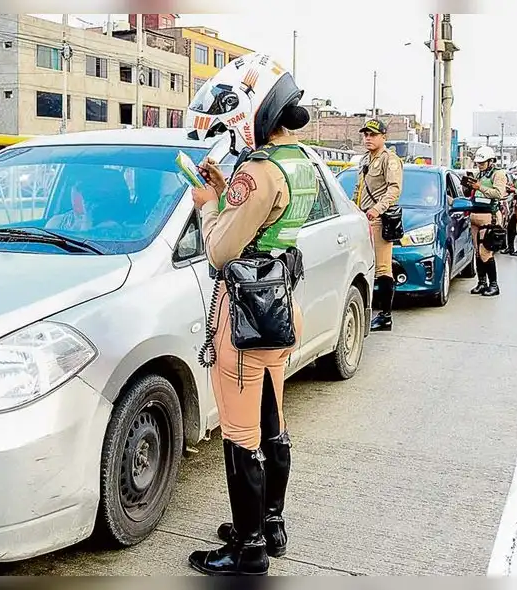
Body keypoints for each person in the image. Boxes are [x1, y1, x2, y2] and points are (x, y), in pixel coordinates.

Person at [185, 52, 317, 577]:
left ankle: (248, 548)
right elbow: (267, 223)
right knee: (272, 420)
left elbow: (221, 251)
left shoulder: (258, 170)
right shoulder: (300, 162)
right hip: (280, 309)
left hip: (244, 317)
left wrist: (207, 203)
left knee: (241, 433)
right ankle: (271, 523)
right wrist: (227, 193)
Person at [353, 118, 403, 332]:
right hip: (363, 218)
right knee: (366, 266)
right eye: (366, 134)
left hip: (380, 219)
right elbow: (359, 189)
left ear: (384, 137)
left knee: (383, 268)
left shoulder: (389, 159)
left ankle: (385, 316)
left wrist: (377, 209)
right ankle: (369, 310)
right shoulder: (365, 159)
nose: (368, 138)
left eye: (373, 135)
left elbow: (394, 189)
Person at [462, 146, 508, 296]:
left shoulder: (498, 174)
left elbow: (498, 193)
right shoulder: (479, 174)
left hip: (489, 217)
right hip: (475, 215)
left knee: (485, 252)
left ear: (490, 161)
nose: (479, 165)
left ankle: (494, 285)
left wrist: (480, 187)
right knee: (477, 252)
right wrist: (468, 187)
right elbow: (470, 194)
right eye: (478, 163)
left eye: (482, 163)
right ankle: (482, 283)